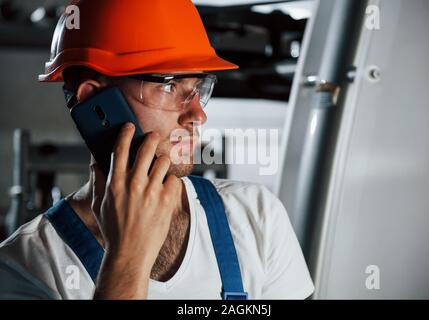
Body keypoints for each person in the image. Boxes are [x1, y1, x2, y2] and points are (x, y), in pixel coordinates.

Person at [0, 0, 314, 299]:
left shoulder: (257, 217)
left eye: (197, 89)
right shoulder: (24, 266)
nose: (198, 115)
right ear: (96, 103)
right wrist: (126, 261)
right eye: (169, 86)